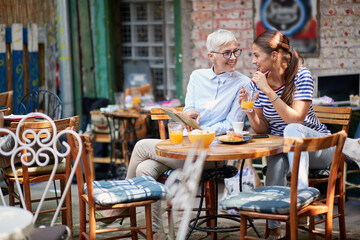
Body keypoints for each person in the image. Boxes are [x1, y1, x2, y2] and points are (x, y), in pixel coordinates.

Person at [102, 29, 251, 239]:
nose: (233, 57)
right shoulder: (197, 77)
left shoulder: (243, 83)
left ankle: (124, 202)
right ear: (211, 56)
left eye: (236, 51)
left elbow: (232, 124)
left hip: (213, 153)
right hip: (186, 148)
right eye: (227, 53)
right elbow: (189, 107)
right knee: (144, 169)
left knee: (142, 146)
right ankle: (156, 234)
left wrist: (203, 130)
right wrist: (189, 114)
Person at [238, 29, 333, 239]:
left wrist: (269, 92)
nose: (253, 61)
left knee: (290, 129)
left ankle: (301, 194)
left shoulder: (301, 74)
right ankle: (274, 230)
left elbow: (295, 119)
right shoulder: (260, 82)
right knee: (275, 161)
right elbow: (262, 128)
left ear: (274, 56)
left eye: (256, 55)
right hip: (288, 148)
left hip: (319, 149)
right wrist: (250, 112)